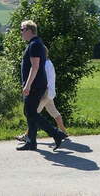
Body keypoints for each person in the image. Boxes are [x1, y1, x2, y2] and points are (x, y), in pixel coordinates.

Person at [17, 20, 67, 151]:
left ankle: (56, 133)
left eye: (22, 30)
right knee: (30, 113)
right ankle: (31, 142)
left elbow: (35, 67)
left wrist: (27, 85)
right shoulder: (36, 44)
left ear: (29, 30)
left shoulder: (34, 45)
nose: (21, 33)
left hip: (34, 85)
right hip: (37, 85)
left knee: (31, 113)